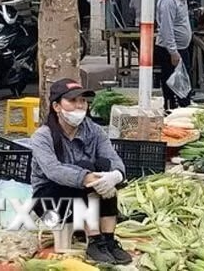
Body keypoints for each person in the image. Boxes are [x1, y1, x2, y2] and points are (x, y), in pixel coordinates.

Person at [29, 79, 130, 265]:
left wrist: (115, 175)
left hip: (90, 201)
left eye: (82, 101)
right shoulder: (42, 136)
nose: (79, 106)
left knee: (103, 166)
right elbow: (54, 171)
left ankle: (108, 239)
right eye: (73, 101)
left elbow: (115, 160)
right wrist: (86, 178)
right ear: (56, 106)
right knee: (85, 169)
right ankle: (94, 240)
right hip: (51, 203)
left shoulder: (95, 131)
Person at [155, 0, 195, 110]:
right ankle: (172, 112)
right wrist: (173, 52)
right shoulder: (168, 0)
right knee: (173, 85)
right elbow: (166, 29)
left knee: (183, 84)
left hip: (181, 48)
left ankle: (183, 110)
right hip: (170, 50)